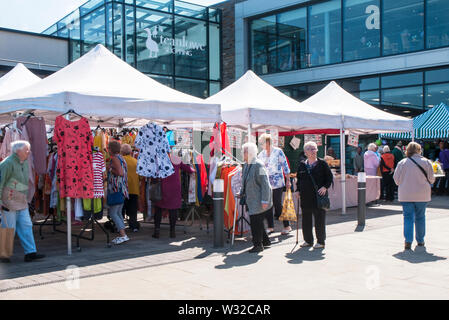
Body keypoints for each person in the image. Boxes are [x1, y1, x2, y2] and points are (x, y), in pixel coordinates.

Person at [0, 141, 45, 263]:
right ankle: (4, 255)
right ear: (17, 151)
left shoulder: (24, 162)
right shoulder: (7, 163)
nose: (29, 152)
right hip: (7, 202)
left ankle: (30, 253)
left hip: (21, 200)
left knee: (26, 226)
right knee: (9, 228)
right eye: (27, 150)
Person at [393, 142, 435, 250]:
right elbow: (431, 179)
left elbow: (396, 180)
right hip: (422, 195)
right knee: (420, 217)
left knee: (408, 218)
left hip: (406, 195)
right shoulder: (426, 162)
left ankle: (408, 241)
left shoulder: (402, 162)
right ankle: (420, 241)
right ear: (419, 150)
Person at [296, 141, 333, 249]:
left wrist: (325, 187)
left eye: (315, 149)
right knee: (306, 220)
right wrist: (298, 190)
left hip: (318, 197)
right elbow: (299, 179)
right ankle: (308, 240)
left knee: (319, 220)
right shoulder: (302, 165)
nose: (313, 151)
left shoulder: (322, 164)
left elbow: (329, 178)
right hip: (305, 197)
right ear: (305, 152)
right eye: (311, 149)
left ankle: (321, 241)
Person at [152, 150, 194, 239]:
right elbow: (188, 169)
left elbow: (152, 173)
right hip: (174, 187)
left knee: (158, 209)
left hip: (161, 187)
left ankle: (157, 231)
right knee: (173, 209)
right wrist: (195, 170)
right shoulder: (176, 159)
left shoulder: (158, 159)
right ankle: (172, 231)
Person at [240, 142, 273, 253]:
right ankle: (266, 241)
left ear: (250, 153)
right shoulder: (246, 164)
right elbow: (244, 181)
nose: (242, 153)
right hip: (251, 199)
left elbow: (265, 184)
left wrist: (265, 200)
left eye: (244, 151)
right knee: (257, 221)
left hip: (258, 200)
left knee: (255, 223)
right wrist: (241, 192)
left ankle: (258, 245)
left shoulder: (259, 165)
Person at [257, 134, 292, 235]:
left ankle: (287, 225)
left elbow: (285, 166)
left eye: (262, 143)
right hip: (266, 182)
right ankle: (271, 227)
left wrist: (288, 180)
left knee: (277, 203)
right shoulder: (261, 154)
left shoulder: (278, 151)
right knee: (268, 204)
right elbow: (260, 168)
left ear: (267, 142)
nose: (261, 145)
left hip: (277, 182)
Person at [107, 140, 129, 245]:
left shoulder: (115, 159)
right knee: (118, 212)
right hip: (122, 188)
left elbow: (120, 173)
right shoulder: (121, 158)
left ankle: (123, 235)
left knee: (113, 213)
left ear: (110, 149)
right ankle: (123, 234)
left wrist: (110, 170)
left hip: (117, 189)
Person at [121, 144, 140, 232]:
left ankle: (120, 227)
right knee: (133, 209)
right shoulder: (136, 161)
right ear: (130, 152)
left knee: (121, 208)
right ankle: (133, 226)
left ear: (122, 152)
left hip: (122, 188)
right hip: (134, 188)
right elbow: (140, 177)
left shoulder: (120, 161)